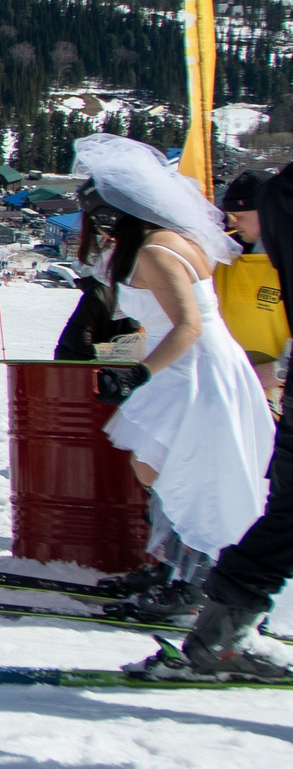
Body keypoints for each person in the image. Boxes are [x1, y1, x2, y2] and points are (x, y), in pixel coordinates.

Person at [67, 134, 272, 607]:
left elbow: (189, 325)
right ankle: (175, 567)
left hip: (193, 369)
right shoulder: (165, 241)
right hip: (181, 367)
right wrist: (125, 362)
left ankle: (194, 579)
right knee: (163, 466)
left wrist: (138, 374)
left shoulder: (157, 250)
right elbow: (158, 322)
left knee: (184, 471)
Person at [152, 163, 293, 678]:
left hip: (271, 373)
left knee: (283, 513)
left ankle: (221, 629)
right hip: (250, 371)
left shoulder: (278, 205)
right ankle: (221, 629)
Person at [217, 170, 288, 409]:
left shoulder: (285, 258)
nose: (233, 225)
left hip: (279, 391)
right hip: (233, 383)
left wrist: (281, 370)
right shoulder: (227, 253)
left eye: (239, 216)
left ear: (267, 213)